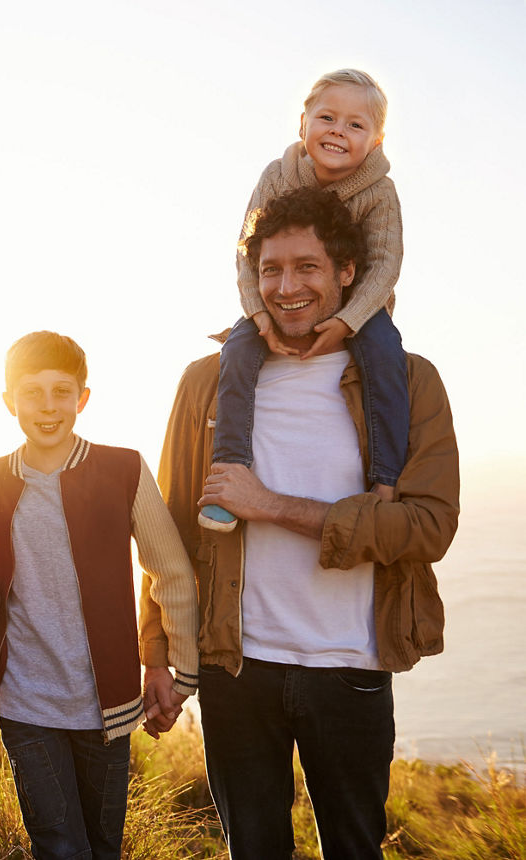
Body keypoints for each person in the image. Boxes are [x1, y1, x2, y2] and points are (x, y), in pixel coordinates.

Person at [158, 187, 459, 860]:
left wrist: (271, 506)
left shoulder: (408, 384)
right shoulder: (207, 383)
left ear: (348, 271)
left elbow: (427, 528)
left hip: (349, 668)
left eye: (307, 268)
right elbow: (169, 535)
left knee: (355, 849)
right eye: (271, 270)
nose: (286, 288)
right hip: (235, 669)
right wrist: (160, 653)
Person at [0, 331, 199, 860]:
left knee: (103, 847)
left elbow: (171, 573)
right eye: (32, 392)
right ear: (9, 402)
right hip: (25, 700)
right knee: (59, 846)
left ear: (83, 398)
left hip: (108, 706)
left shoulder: (123, 470)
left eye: (61, 391)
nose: (47, 407)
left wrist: (177, 671)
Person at [204, 69, 407, 531]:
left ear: (376, 142)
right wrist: (257, 311)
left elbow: (385, 265)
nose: (338, 130)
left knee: (386, 357)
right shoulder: (278, 175)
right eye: (327, 117)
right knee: (237, 350)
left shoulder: (379, 191)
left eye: (356, 125)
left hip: (362, 304)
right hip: (275, 303)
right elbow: (247, 251)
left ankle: (384, 480)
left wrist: (348, 321)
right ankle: (230, 469)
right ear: (303, 124)